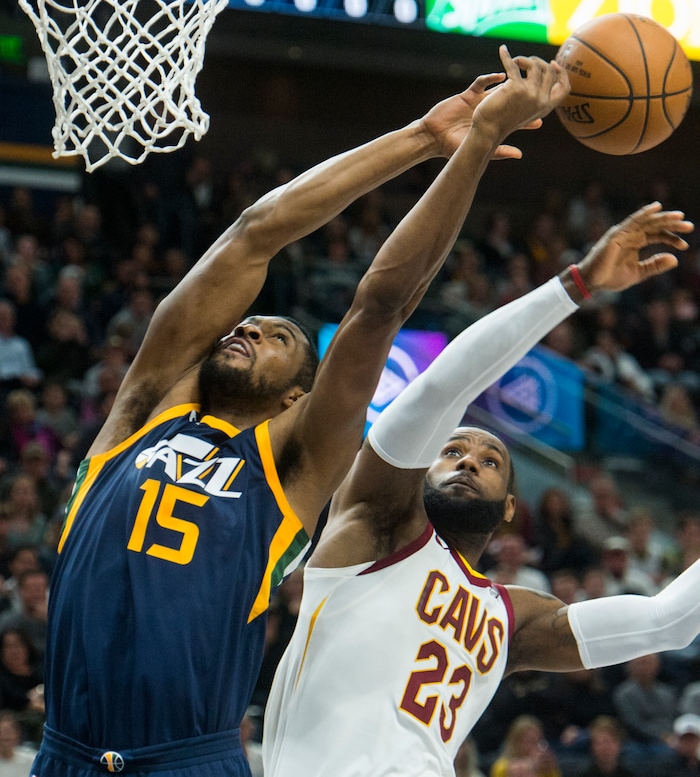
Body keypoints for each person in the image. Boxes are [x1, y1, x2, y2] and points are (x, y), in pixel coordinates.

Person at [30, 47, 569, 777]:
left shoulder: (294, 462)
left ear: (296, 395)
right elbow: (256, 231)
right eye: (244, 326)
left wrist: (473, 147)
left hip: (186, 759)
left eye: (277, 334)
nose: (247, 327)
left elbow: (381, 305)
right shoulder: (141, 409)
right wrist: (418, 136)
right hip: (62, 752)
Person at [263, 202, 697, 777]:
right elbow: (445, 385)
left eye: (490, 459)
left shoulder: (511, 619)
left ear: (510, 506)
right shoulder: (378, 523)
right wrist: (575, 285)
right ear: (422, 473)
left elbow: (667, 621)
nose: (469, 461)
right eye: (451, 451)